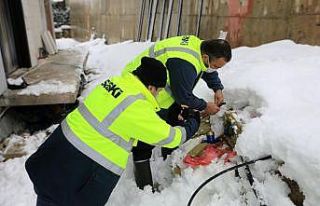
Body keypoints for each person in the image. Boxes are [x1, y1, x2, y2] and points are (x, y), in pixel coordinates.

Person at [25, 57, 200, 206]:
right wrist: (192, 123)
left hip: (56, 155)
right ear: (151, 87)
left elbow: (120, 119)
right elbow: (170, 137)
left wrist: (166, 114)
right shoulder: (136, 106)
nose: (158, 95)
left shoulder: (114, 83)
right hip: (80, 171)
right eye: (159, 90)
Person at [122, 35, 232, 189]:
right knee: (144, 139)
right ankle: (144, 187)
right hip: (142, 90)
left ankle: (167, 159)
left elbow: (207, 70)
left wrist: (217, 88)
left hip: (160, 90)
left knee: (173, 120)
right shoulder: (184, 63)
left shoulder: (199, 47)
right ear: (206, 57)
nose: (215, 69)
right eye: (216, 66)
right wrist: (205, 106)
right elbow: (184, 97)